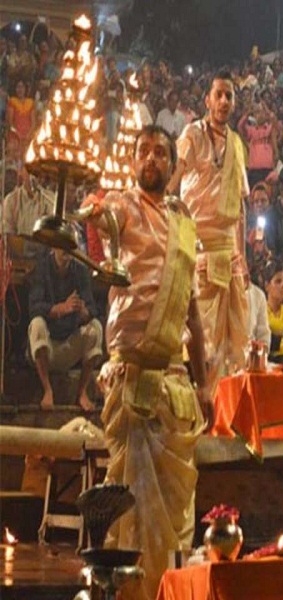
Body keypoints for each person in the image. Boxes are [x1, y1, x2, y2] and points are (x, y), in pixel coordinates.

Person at [80, 124, 210, 600]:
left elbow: (193, 311)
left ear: (173, 167)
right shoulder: (123, 206)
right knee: (129, 506)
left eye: (160, 153)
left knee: (174, 515)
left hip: (175, 385)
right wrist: (84, 202)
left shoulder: (184, 223)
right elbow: (96, 217)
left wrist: (206, 382)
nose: (151, 159)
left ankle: (168, 594)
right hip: (130, 379)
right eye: (143, 152)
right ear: (133, 162)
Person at [169, 70, 249, 395]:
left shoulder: (238, 145)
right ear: (207, 99)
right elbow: (172, 185)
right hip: (196, 248)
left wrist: (243, 257)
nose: (224, 101)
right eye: (219, 94)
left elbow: (241, 209)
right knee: (200, 337)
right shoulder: (192, 135)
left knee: (235, 342)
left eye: (229, 95)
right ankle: (198, 407)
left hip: (229, 252)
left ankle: (224, 413)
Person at [28, 249, 103, 411]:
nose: (66, 250)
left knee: (95, 327)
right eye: (62, 245)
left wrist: (83, 312)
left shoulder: (80, 270)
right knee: (37, 324)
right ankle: (47, 390)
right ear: (54, 247)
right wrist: (60, 308)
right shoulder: (42, 267)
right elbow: (34, 307)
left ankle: (81, 392)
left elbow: (92, 309)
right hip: (47, 346)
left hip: (69, 345)